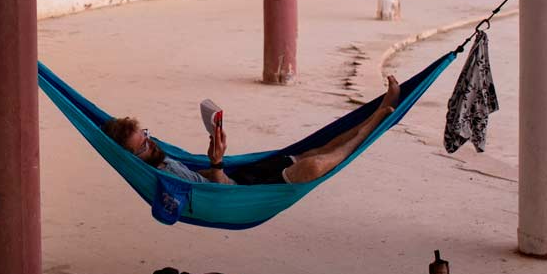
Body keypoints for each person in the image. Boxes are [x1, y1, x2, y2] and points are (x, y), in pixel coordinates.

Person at [104, 75, 401, 186]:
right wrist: (218, 163)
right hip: (242, 192)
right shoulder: (160, 178)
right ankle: (372, 125)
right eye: (142, 145)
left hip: (243, 175)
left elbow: (204, 178)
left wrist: (215, 163)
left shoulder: (163, 161)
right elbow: (211, 197)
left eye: (147, 135)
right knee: (315, 166)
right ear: (130, 157)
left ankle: (375, 114)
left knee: (316, 150)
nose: (151, 143)